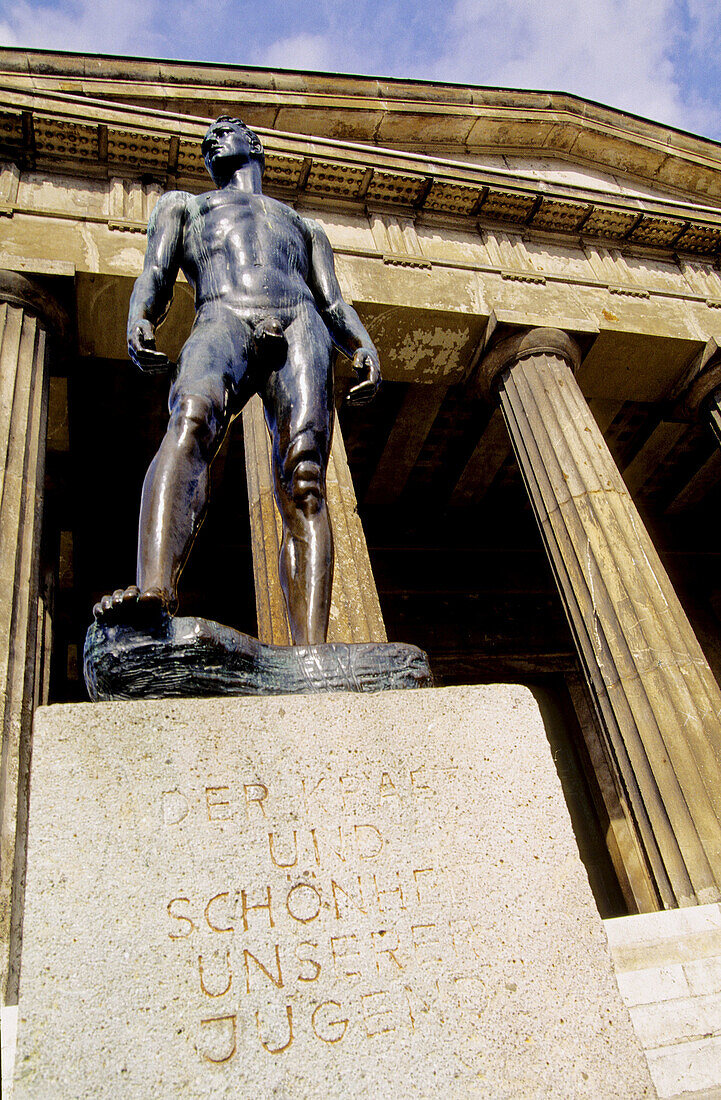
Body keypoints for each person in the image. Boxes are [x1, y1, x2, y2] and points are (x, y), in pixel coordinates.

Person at [93, 116, 380, 645]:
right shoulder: (185, 206)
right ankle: (154, 591)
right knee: (191, 421)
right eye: (207, 138)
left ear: (256, 145)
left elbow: (332, 300)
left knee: (306, 481)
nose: (212, 139)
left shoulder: (304, 227)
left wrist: (361, 343)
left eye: (226, 129)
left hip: (300, 321)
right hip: (222, 313)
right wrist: (141, 315)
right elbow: (153, 274)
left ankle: (309, 652)